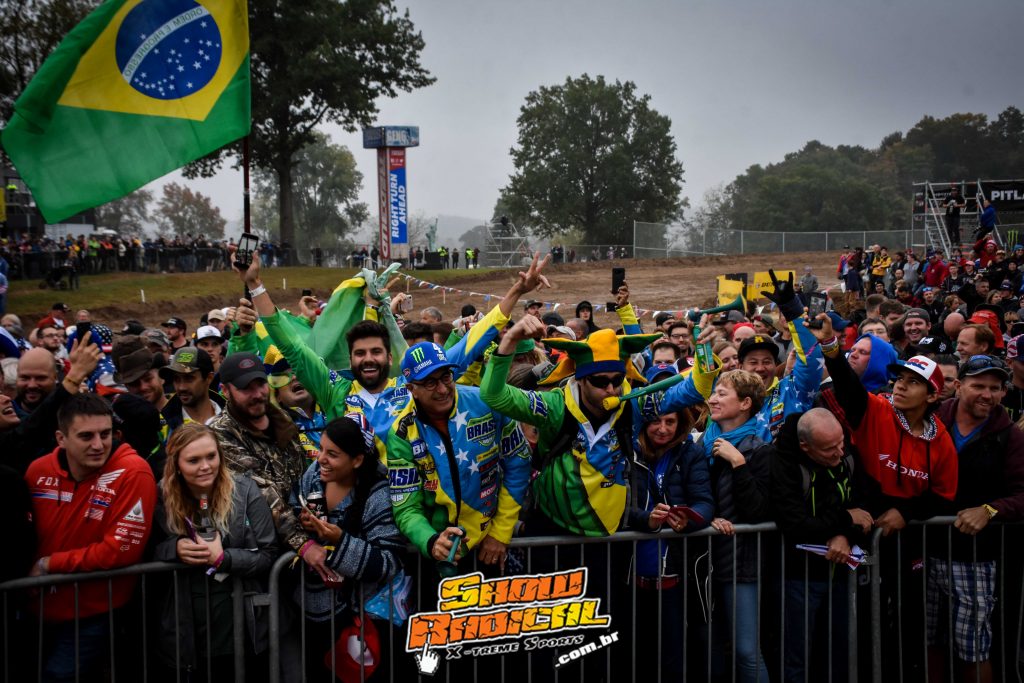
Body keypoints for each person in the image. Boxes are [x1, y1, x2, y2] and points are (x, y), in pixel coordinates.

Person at [25, 393, 158, 682]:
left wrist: (50, 564)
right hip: (33, 610)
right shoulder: (37, 471)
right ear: (61, 438)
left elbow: (120, 551)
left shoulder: (133, 472)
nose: (98, 445)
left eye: (105, 434)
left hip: (92, 614)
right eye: (86, 436)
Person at [387, 341, 532, 569]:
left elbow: (519, 463)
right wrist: (430, 540)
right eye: (430, 383)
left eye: (446, 377)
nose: (443, 389)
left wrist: (501, 531)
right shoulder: (401, 433)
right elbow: (405, 506)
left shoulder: (486, 403)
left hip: (491, 544)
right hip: (437, 553)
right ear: (411, 389)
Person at [153, 423, 277, 677]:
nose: (205, 466)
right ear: (177, 463)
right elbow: (148, 550)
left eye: (211, 456)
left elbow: (270, 553)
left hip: (240, 622)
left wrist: (225, 558)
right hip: (189, 626)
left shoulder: (244, 490)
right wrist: (174, 548)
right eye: (193, 460)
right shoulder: (162, 494)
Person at [294, 416, 404, 680]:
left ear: (357, 460)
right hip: (314, 615)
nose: (321, 459)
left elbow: (387, 563)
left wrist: (339, 540)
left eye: (332, 454)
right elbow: (293, 506)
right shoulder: (314, 476)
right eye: (321, 449)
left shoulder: (378, 494)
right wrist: (303, 522)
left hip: (363, 622)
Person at [772, 409, 875, 683]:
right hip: (799, 578)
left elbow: (866, 508)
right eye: (829, 449)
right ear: (805, 446)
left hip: (843, 575)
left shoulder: (848, 454)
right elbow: (795, 523)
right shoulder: (785, 463)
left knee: (840, 654)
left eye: (841, 443)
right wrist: (844, 519)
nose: (839, 453)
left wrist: (845, 535)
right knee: (797, 658)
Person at [208, 353, 325, 577]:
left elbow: (305, 477)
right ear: (225, 390)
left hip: (308, 539)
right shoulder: (220, 434)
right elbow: (264, 492)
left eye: (260, 384)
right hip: (267, 553)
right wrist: (303, 543)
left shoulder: (283, 419)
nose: (257, 394)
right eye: (246, 388)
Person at [699, 370, 775, 683]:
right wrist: (708, 518)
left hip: (742, 562)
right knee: (713, 650)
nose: (712, 399)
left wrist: (738, 463)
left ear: (745, 403)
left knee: (746, 651)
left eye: (722, 394)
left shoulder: (760, 447)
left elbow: (758, 510)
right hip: (707, 562)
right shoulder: (704, 441)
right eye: (714, 393)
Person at [629, 405, 713, 681]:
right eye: (655, 421)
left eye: (670, 421)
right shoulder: (627, 453)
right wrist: (646, 520)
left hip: (676, 578)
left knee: (673, 661)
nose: (663, 429)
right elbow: (613, 509)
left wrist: (690, 520)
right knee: (633, 658)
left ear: (681, 423)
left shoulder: (691, 452)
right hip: (630, 577)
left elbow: (705, 503)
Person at [159, 347, 224, 432]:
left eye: (189, 378)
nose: (181, 387)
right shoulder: (162, 425)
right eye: (176, 379)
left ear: (209, 378)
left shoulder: (234, 417)